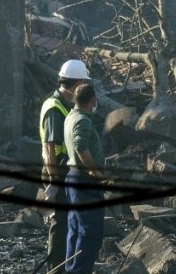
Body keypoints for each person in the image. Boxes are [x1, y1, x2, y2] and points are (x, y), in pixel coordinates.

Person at [39, 59, 90, 273]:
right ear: (77, 82)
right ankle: (55, 269)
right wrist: (53, 182)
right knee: (60, 225)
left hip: (63, 171)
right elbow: (50, 149)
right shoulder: (54, 107)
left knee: (67, 223)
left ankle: (63, 266)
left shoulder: (62, 103)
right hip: (57, 172)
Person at [63, 83, 104, 274]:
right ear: (91, 101)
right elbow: (80, 146)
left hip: (73, 178)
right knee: (91, 232)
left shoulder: (70, 116)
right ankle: (79, 271)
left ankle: (71, 269)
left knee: (75, 229)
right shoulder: (83, 120)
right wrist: (95, 171)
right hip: (84, 181)